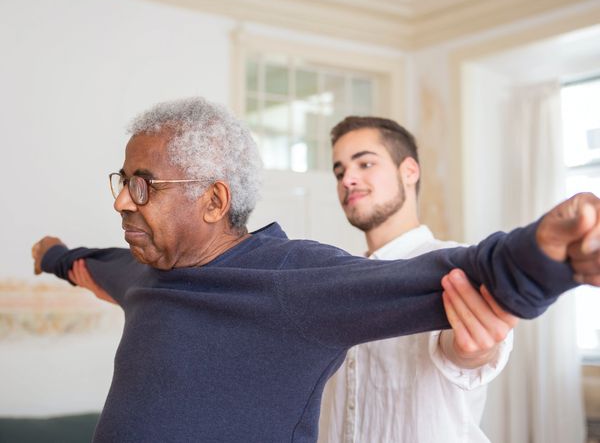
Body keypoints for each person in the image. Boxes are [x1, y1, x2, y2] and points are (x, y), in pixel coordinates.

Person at [31, 97, 600, 443]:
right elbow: (96, 267)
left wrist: (553, 255)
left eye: (142, 186)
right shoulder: (143, 276)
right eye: (122, 182)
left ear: (212, 201)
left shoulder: (292, 279)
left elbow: (448, 275)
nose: (122, 203)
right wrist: (54, 256)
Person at [320, 117, 518, 442]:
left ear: (409, 171)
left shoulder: (456, 266)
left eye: (365, 163)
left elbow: (466, 354)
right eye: (339, 172)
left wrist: (474, 350)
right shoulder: (337, 280)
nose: (348, 180)